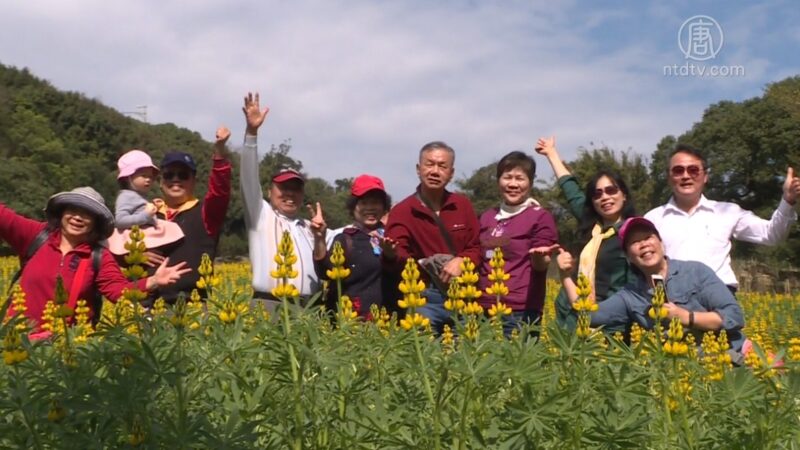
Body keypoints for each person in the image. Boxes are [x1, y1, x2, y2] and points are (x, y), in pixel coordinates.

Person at [1, 187, 190, 328]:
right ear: (62, 212)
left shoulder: (98, 256)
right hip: (19, 339)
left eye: (87, 215)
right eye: (73, 210)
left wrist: (154, 281)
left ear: (95, 224)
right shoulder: (37, 235)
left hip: (66, 345)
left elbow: (118, 290)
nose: (78, 218)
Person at [557, 217, 746, 353]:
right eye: (634, 242)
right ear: (629, 256)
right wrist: (565, 276)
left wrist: (685, 316)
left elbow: (734, 316)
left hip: (729, 356)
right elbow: (588, 314)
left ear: (660, 242)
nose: (643, 244)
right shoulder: (631, 295)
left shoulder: (696, 272)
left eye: (648, 237)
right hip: (682, 370)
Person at [644, 144, 800, 291]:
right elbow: (643, 263)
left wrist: (788, 201)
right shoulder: (653, 219)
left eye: (693, 170)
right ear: (669, 177)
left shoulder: (728, 212)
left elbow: (771, 235)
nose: (686, 176)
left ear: (705, 176)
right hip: (672, 299)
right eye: (678, 170)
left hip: (719, 299)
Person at [535, 136, 637, 332]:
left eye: (611, 190)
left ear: (624, 195)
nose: (604, 197)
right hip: (570, 318)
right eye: (597, 194)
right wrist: (552, 154)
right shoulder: (591, 224)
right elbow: (571, 190)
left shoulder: (633, 232)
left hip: (607, 325)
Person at [240, 92, 332, 309]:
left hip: (310, 308)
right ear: (270, 191)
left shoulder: (310, 227)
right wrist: (251, 133)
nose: (289, 194)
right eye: (283, 188)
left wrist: (320, 238)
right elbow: (248, 179)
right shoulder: (260, 215)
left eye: (295, 189)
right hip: (269, 303)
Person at [384, 141, 481, 333]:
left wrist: (463, 260)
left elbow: (476, 247)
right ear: (418, 169)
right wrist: (391, 253)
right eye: (429, 164)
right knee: (425, 356)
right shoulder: (403, 210)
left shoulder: (462, 205)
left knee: (466, 355)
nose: (435, 171)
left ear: (451, 173)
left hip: (463, 294)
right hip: (424, 296)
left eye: (442, 166)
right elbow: (398, 257)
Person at [141, 127, 232, 304]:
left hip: (195, 306)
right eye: (169, 175)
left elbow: (220, 192)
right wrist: (137, 254)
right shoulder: (145, 214)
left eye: (183, 175)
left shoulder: (205, 212)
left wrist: (220, 154)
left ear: (194, 181)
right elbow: (114, 249)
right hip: (148, 307)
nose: (176, 180)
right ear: (160, 182)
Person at [476, 151, 558, 335]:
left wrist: (540, 257)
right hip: (482, 307)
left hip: (520, 310)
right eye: (507, 177)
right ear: (499, 180)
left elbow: (542, 262)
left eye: (520, 178)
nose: (513, 184)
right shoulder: (487, 216)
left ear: (530, 182)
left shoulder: (540, 216)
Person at [314, 174, 398, 316]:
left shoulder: (392, 237)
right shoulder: (346, 239)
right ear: (353, 208)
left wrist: (390, 255)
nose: (370, 208)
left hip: (388, 323)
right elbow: (324, 272)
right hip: (352, 322)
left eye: (376, 202)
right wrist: (319, 238)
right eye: (364, 203)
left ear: (384, 207)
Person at [107, 149, 184, 255]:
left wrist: (153, 206)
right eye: (144, 176)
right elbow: (120, 221)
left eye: (151, 177)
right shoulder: (125, 196)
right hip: (135, 237)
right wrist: (145, 215)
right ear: (128, 177)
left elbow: (138, 208)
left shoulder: (136, 196)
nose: (148, 179)